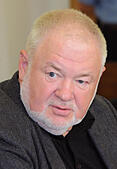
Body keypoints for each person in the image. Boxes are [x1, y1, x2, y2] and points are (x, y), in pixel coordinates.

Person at [0, 9, 117, 169]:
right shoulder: (4, 127)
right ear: (25, 66)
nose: (65, 95)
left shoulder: (105, 112)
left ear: (98, 78)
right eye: (53, 74)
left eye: (81, 81)